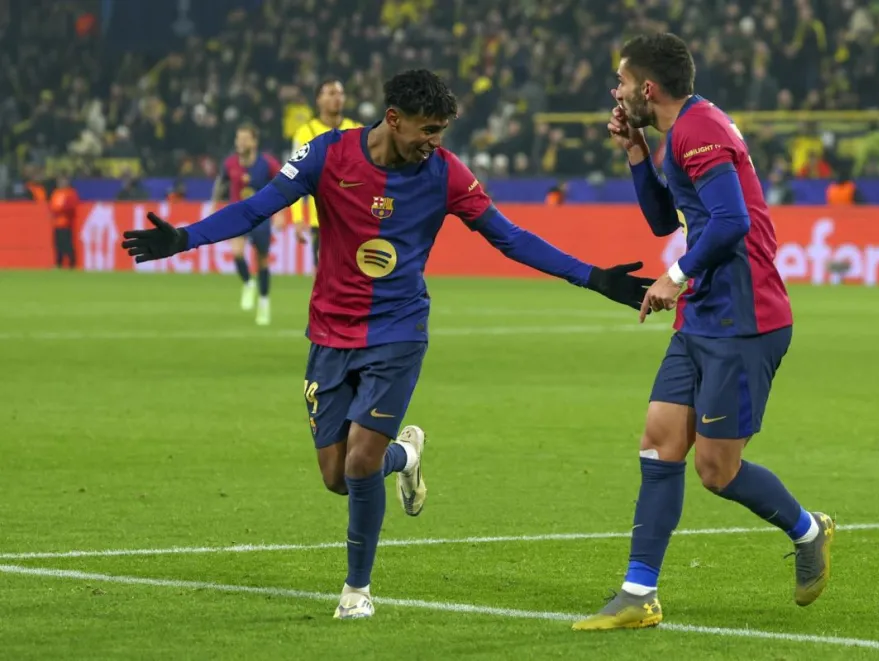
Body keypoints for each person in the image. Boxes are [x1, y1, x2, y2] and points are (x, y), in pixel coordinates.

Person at [121, 69, 652, 621]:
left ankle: (357, 590)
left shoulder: (446, 174)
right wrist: (185, 237)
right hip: (330, 332)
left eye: (442, 130)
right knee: (337, 476)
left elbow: (510, 238)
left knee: (359, 462)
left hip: (397, 332)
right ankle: (407, 455)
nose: (435, 141)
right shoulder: (328, 154)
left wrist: (593, 277)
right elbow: (258, 207)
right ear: (393, 119)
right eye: (428, 129)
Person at [571, 34, 834, 632]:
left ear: (647, 87)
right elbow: (665, 219)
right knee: (659, 443)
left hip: (745, 319)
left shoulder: (699, 129)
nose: (615, 91)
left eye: (621, 81)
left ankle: (808, 530)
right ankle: (639, 594)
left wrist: (676, 274)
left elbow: (732, 221)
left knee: (717, 471)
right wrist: (636, 153)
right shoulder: (679, 133)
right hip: (703, 317)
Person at [214, 122, 283, 325]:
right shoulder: (230, 163)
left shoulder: (267, 163)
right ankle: (248, 283)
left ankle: (264, 302)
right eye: (238, 138)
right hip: (238, 215)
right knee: (237, 252)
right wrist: (214, 205)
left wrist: (280, 213)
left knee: (262, 261)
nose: (240, 142)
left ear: (254, 142)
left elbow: (283, 184)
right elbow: (221, 183)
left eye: (245, 139)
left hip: (261, 216)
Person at [290, 79, 363, 266]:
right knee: (325, 276)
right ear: (319, 100)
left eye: (340, 93)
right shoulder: (306, 133)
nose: (337, 98)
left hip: (352, 219)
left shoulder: (357, 129)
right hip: (322, 220)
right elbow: (295, 177)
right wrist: (298, 218)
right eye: (331, 93)